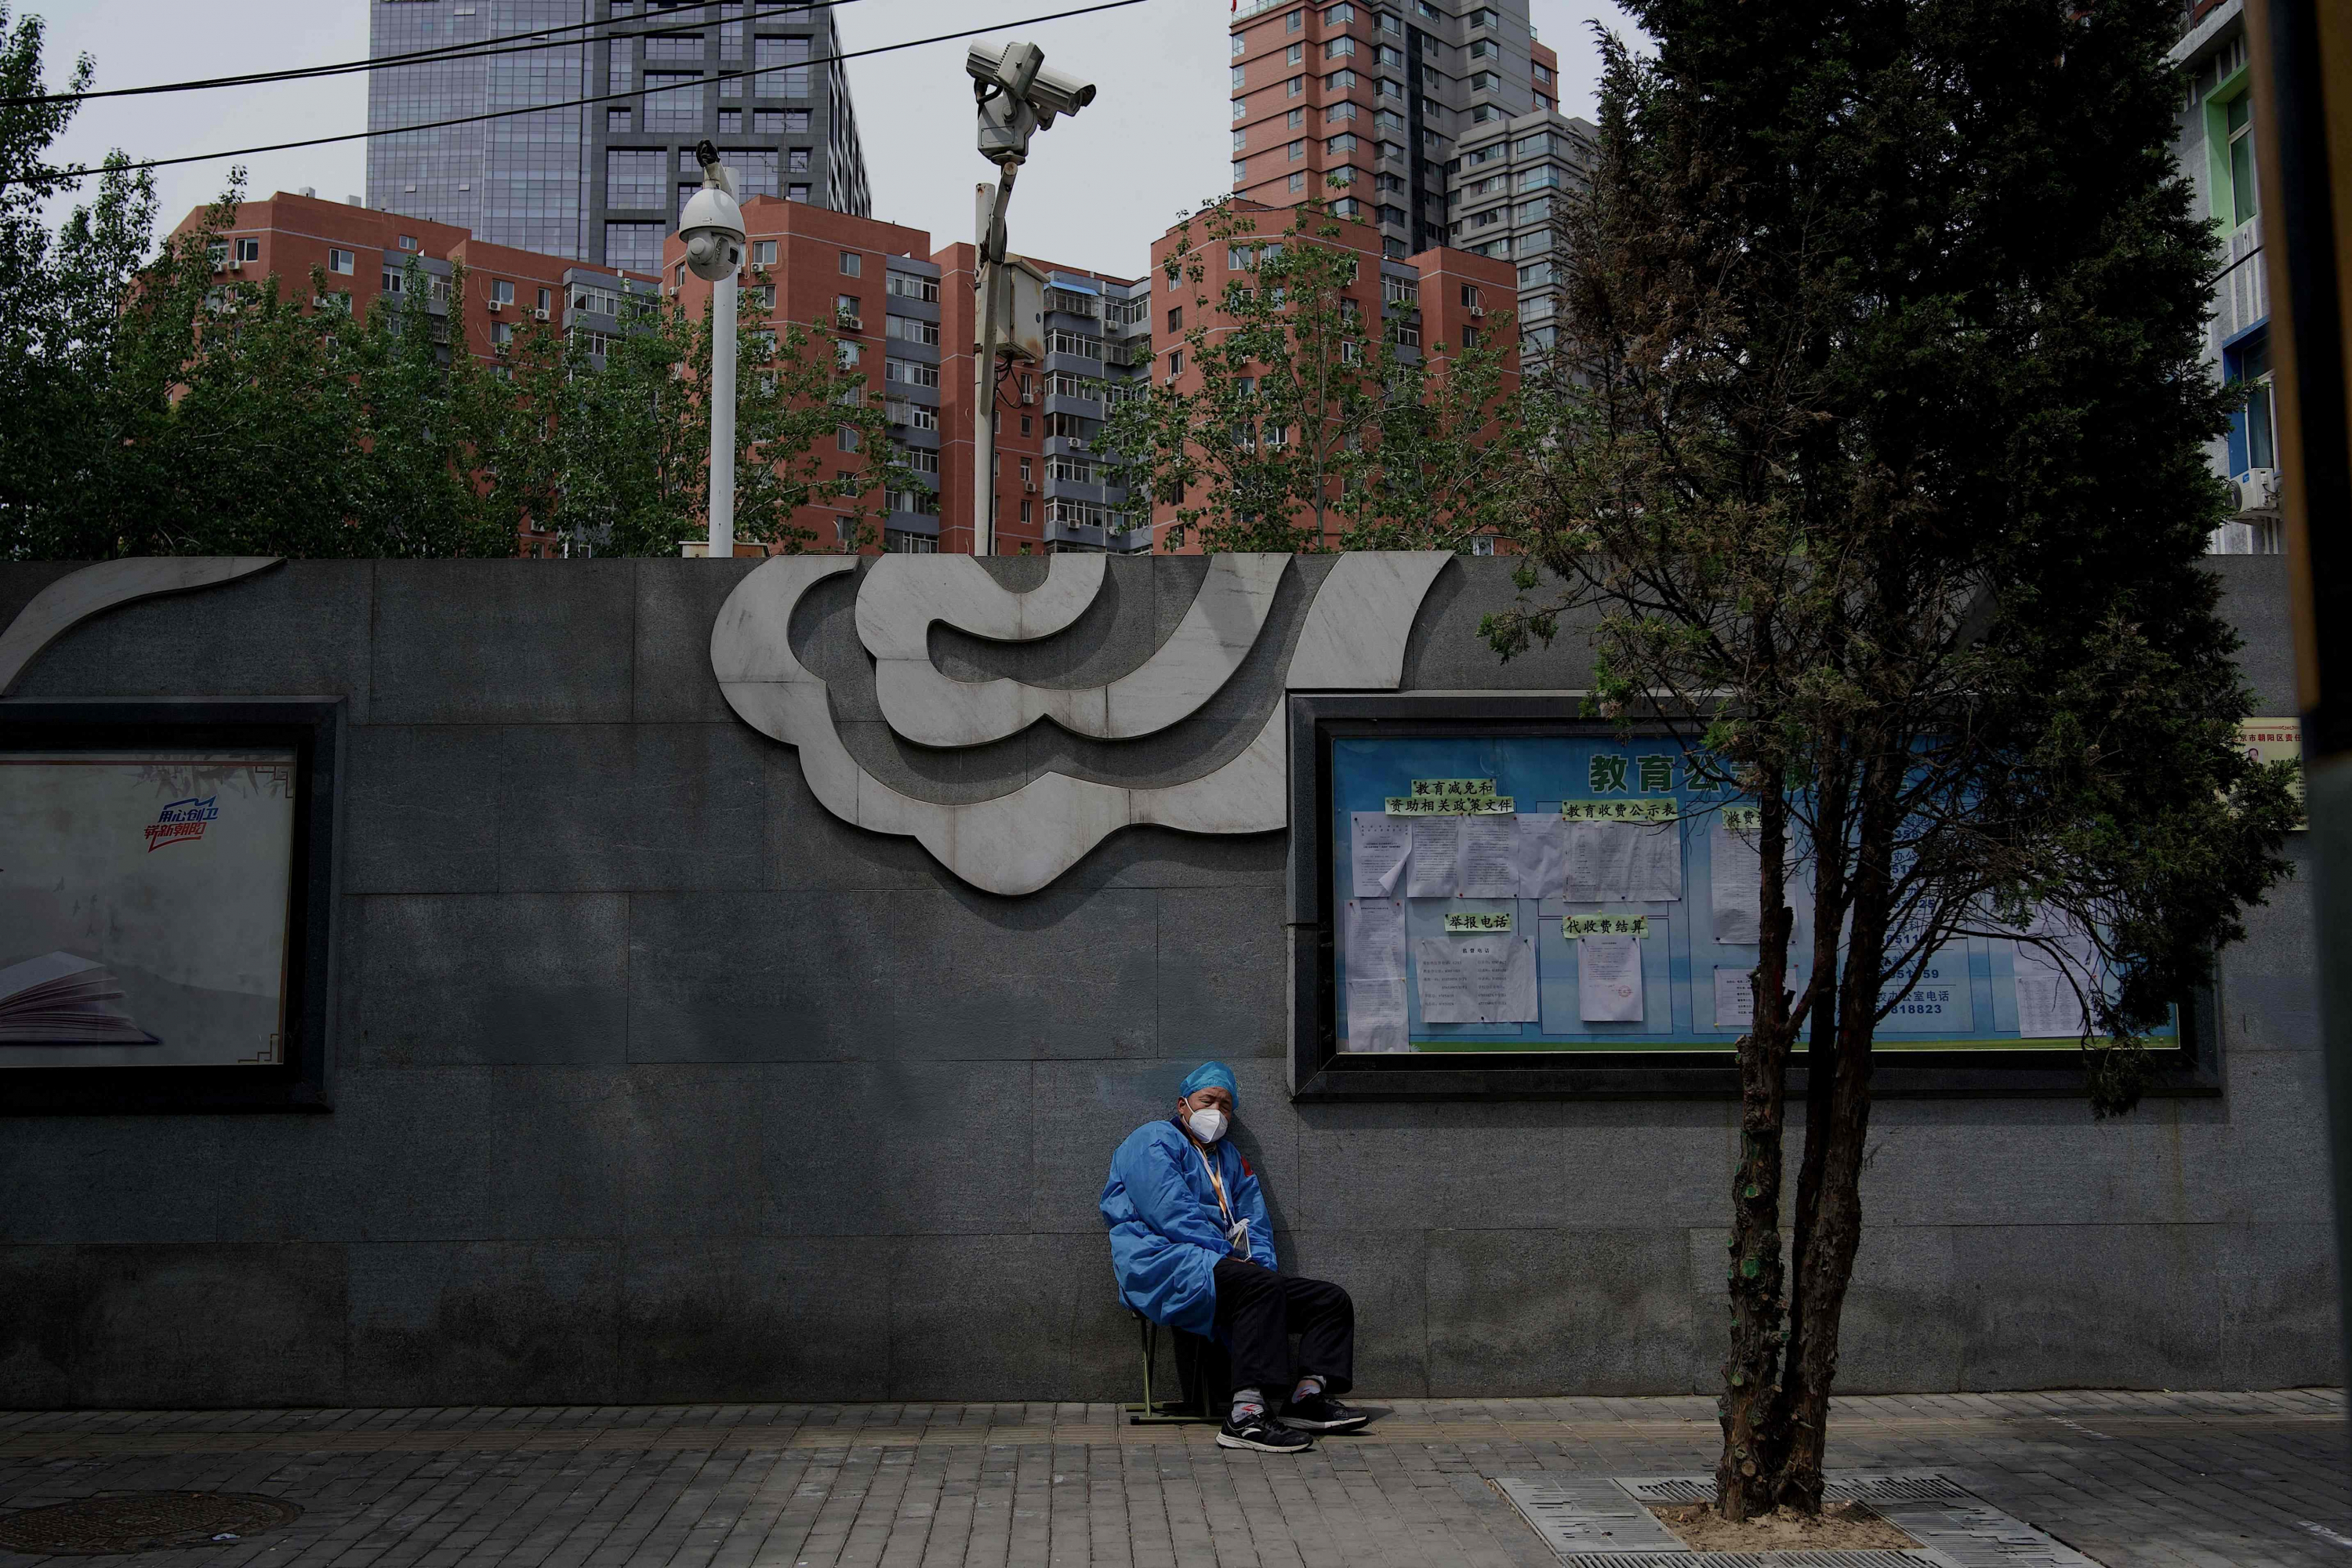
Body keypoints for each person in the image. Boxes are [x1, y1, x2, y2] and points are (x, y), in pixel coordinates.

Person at [1100, 1061, 1370, 1453]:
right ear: (1182, 1105)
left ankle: (1306, 1398)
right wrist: (1236, 1261)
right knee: (1258, 1287)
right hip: (1163, 1262)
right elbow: (1170, 1212)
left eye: (1225, 1105)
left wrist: (1260, 1267)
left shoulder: (1230, 1158)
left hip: (1227, 1271)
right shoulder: (1153, 1140)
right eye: (1207, 1101)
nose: (1216, 1111)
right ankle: (1245, 1415)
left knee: (1329, 1300)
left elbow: (1255, 1221)